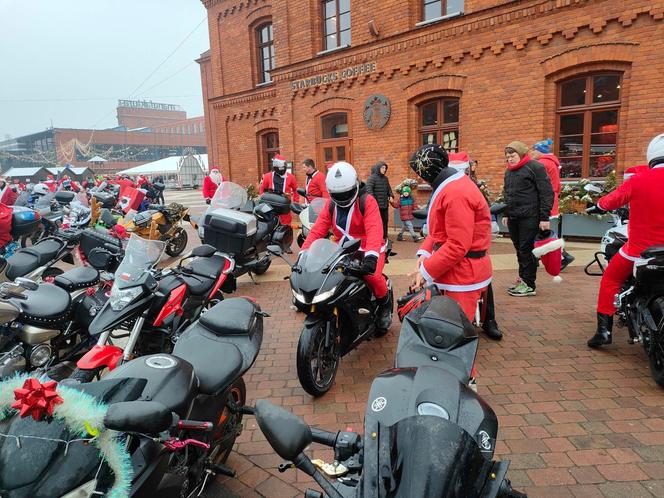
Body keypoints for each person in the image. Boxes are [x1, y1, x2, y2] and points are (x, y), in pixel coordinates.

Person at [587, 133, 664, 347]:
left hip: (640, 251)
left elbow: (611, 201)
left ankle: (604, 332)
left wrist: (598, 205)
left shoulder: (639, 179)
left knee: (610, 279)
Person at [302, 161, 392, 329]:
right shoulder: (330, 204)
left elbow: (374, 229)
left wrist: (371, 257)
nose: (343, 198)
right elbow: (318, 230)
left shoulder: (367, 201)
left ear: (355, 185)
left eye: (346, 193)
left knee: (372, 277)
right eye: (338, 194)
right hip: (341, 248)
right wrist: (304, 253)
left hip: (368, 247)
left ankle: (385, 307)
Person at [409, 144, 493, 321]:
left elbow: (457, 245)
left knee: (453, 330)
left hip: (462, 273)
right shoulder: (453, 186)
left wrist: (426, 271)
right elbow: (439, 231)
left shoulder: (456, 194)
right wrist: (425, 254)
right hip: (456, 269)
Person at [448, 151, 502, 339]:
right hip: (450, 245)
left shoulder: (475, 188)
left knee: (484, 281)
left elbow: (484, 212)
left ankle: (489, 319)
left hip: (473, 246)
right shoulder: (443, 189)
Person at [501, 141, 554, 297]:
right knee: (519, 249)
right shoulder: (509, 171)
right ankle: (522, 279)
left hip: (530, 216)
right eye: (507, 156)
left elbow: (546, 192)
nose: (510, 159)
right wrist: (506, 213)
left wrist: (544, 217)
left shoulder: (535, 167)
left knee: (526, 249)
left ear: (521, 154)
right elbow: (507, 193)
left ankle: (529, 284)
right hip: (514, 216)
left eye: (513, 155)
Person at [531, 139, 575, 270]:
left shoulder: (542, 163)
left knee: (543, 232)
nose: (532, 153)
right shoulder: (552, 163)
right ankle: (538, 256)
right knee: (541, 231)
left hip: (544, 202)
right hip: (551, 200)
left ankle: (563, 256)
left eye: (534, 150)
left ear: (540, 151)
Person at [259, 154, 299, 226]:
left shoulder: (291, 177)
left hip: (285, 206)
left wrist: (295, 203)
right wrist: (263, 201)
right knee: (271, 225)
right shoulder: (268, 176)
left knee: (286, 226)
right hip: (271, 206)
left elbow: (296, 189)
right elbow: (262, 189)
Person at [366, 161, 394, 240]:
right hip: (375, 206)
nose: (384, 169)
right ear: (378, 168)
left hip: (385, 205)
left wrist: (391, 196)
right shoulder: (372, 178)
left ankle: (385, 237)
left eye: (385, 168)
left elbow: (389, 189)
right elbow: (369, 190)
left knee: (385, 221)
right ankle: (377, 237)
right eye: (382, 168)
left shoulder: (385, 178)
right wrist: (373, 201)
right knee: (377, 223)